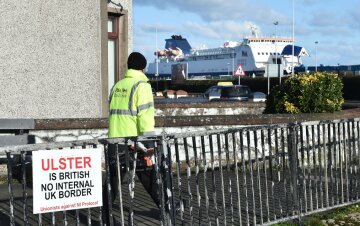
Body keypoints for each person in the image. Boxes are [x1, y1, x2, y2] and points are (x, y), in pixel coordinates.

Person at [104, 52, 159, 225]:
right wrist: (149, 143)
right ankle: (168, 206)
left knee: (113, 181)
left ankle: (106, 217)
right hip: (134, 142)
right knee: (148, 174)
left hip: (115, 139)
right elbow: (145, 118)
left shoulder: (117, 85)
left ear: (128, 66)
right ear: (143, 67)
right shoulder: (142, 85)